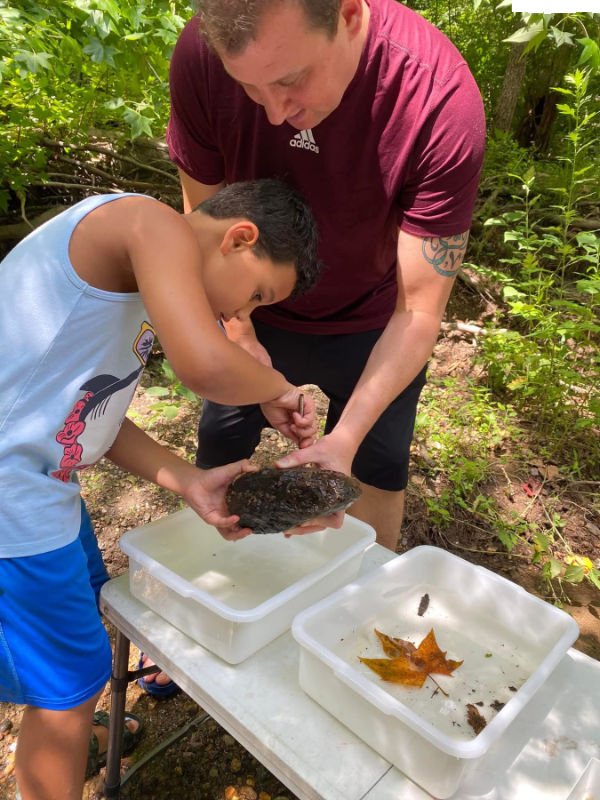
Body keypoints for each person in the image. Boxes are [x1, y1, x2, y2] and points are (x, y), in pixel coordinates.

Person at [0, 179, 329, 800]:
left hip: (43, 492)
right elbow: (203, 366)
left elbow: (84, 414)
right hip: (11, 504)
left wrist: (188, 479)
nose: (241, 316)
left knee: (74, 663)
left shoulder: (140, 285)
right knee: (64, 683)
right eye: (257, 294)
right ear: (239, 237)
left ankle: (63, 739)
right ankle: (57, 747)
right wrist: (277, 387)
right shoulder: (146, 222)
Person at [166, 0, 486, 555]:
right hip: (248, 300)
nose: (272, 113)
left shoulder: (437, 99)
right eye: (249, 88)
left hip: (377, 319)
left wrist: (346, 440)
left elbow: (418, 311)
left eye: (291, 81)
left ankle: (360, 613)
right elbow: (205, 233)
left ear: (350, 15)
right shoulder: (201, 55)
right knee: (220, 448)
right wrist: (240, 336)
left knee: (377, 468)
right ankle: (207, 595)